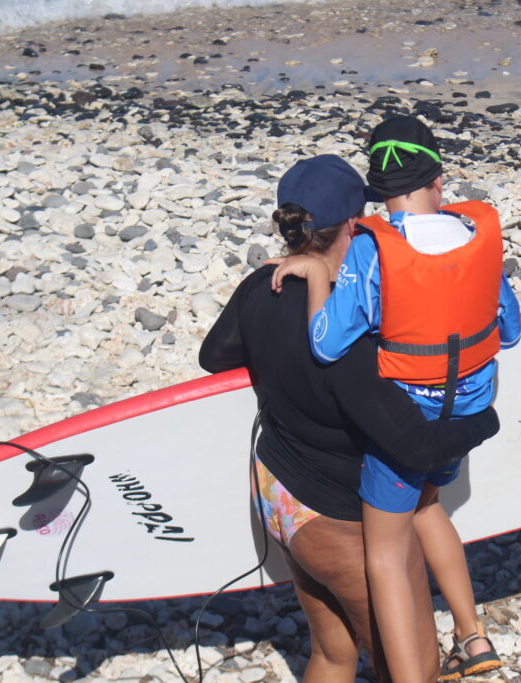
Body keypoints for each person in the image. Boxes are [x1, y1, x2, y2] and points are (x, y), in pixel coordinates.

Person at [199, 154, 501, 682]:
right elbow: (418, 449)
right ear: (357, 228)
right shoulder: (350, 340)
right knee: (411, 670)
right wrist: (487, 420)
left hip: (278, 494)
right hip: (336, 521)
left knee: (334, 654)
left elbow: (214, 356)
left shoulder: (260, 285)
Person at [271, 117, 521, 683]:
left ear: (378, 194)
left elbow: (326, 345)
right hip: (473, 400)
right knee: (428, 504)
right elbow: (509, 331)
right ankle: (471, 634)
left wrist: (315, 278)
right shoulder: (478, 234)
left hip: (412, 414)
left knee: (383, 552)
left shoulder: (372, 247)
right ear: (438, 179)